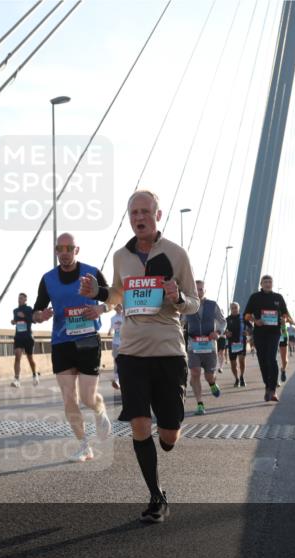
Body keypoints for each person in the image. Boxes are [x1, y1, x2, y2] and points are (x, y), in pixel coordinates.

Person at [80, 190, 199, 523]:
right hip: (132, 352)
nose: (139, 218)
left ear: (157, 216)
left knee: (169, 435)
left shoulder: (177, 254)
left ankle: (170, 434)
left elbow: (194, 302)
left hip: (169, 351)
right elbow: (119, 292)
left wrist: (177, 297)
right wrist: (100, 294)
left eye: (145, 212)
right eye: (134, 213)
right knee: (140, 425)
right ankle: (156, 497)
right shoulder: (121, 256)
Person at [32, 233, 112, 463]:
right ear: (56, 251)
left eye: (69, 248)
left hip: (88, 339)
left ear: (77, 250)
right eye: (60, 248)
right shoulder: (48, 279)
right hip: (61, 342)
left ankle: (99, 410)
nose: (64, 252)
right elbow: (37, 311)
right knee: (69, 398)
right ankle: (84, 446)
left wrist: (100, 310)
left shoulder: (92, 272)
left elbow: (113, 298)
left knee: (87, 397)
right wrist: (41, 315)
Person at [243, 274, 290, 402]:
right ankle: (267, 386)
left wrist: (284, 319)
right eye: (265, 282)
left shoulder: (278, 297)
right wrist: (255, 320)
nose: (268, 284)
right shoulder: (254, 297)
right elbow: (246, 315)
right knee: (262, 361)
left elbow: (286, 314)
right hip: (259, 333)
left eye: (270, 282)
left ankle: (273, 390)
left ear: (272, 284)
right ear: (261, 284)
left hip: (274, 333)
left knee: (271, 359)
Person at [182, 280, 225, 416]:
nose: (198, 292)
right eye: (196, 289)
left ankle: (212, 383)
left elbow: (222, 321)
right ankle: (200, 404)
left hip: (210, 345)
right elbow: (180, 322)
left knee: (209, 376)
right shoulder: (187, 306)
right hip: (193, 345)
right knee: (195, 372)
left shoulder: (212, 305)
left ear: (205, 291)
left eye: (201, 289)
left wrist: (218, 333)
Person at [10, 293, 38, 388]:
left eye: (21, 298)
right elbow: (17, 321)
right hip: (18, 336)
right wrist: (13, 322)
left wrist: (24, 316)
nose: (19, 299)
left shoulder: (29, 309)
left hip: (28, 337)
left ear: (25, 300)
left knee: (30, 359)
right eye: (19, 298)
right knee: (17, 356)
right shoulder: (15, 310)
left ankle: (34, 374)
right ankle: (17, 379)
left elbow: (33, 320)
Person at [224, 302, 247, 387]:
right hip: (232, 344)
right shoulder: (227, 319)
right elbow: (223, 329)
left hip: (241, 342)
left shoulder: (243, 318)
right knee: (233, 364)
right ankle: (236, 379)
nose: (234, 309)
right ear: (230, 309)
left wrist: (247, 331)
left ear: (238, 308)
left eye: (235, 308)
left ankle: (242, 377)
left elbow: (251, 327)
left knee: (241, 361)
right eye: (232, 308)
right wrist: (226, 332)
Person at [108, 304, 124, 390]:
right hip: (116, 342)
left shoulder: (126, 317)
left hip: (125, 343)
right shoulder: (113, 318)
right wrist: (109, 331)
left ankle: (125, 379)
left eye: (119, 307)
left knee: (126, 362)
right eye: (117, 307)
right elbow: (111, 328)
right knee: (116, 362)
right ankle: (117, 381)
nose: (118, 308)